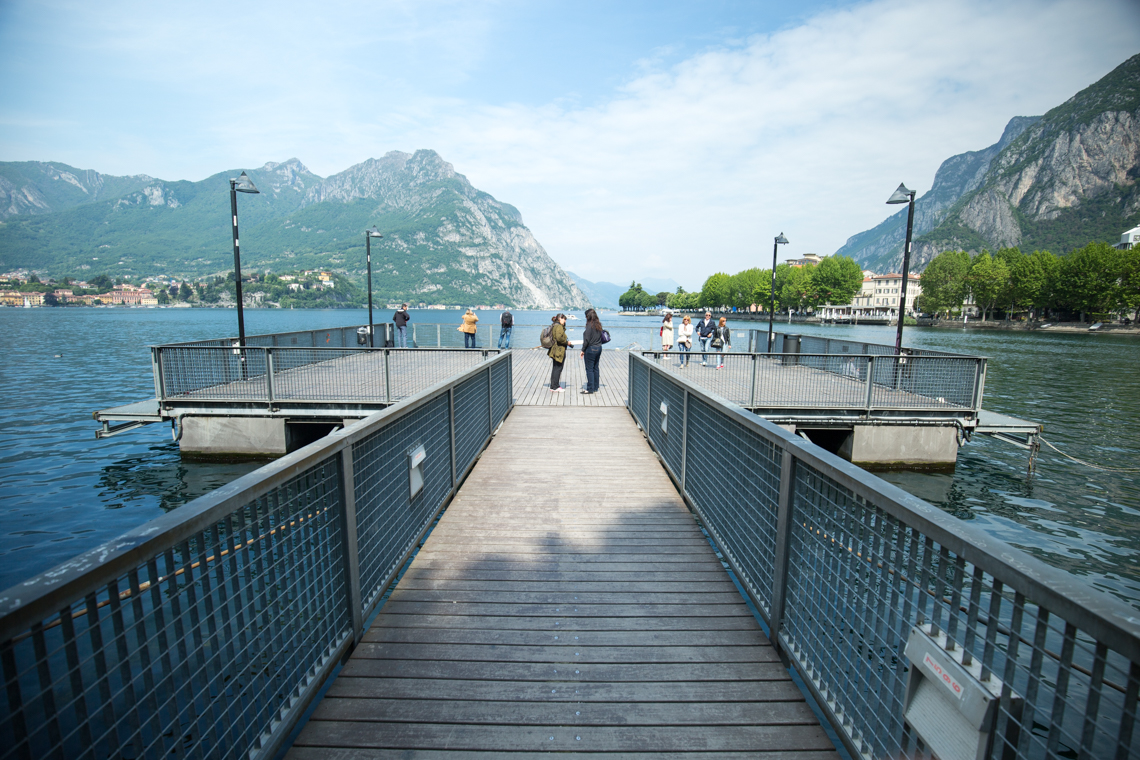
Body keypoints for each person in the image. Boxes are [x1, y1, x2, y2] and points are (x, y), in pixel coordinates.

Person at [579, 308, 604, 394]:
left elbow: (586, 339)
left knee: (589, 369)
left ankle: (590, 388)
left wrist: (583, 350)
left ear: (588, 316)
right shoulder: (599, 325)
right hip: (599, 348)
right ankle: (596, 387)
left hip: (591, 349)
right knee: (595, 368)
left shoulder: (589, 325)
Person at [548, 313, 570, 392]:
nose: (565, 321)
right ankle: (556, 386)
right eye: (564, 319)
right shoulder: (559, 327)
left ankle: (553, 386)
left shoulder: (554, 325)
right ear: (560, 318)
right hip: (559, 350)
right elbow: (559, 338)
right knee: (558, 368)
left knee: (555, 368)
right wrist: (567, 343)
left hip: (554, 349)